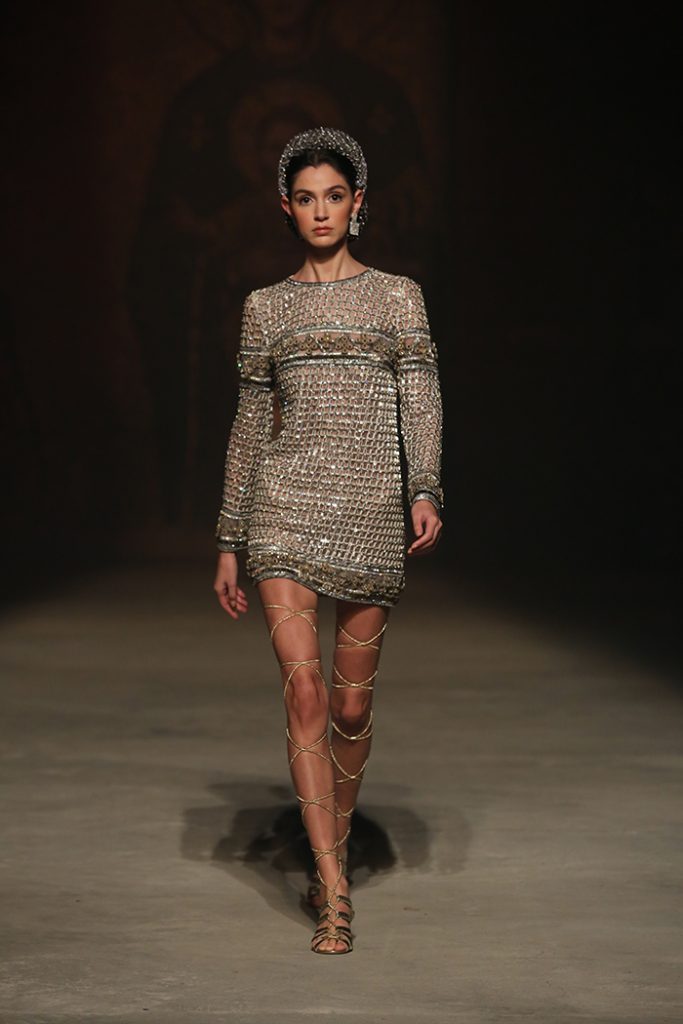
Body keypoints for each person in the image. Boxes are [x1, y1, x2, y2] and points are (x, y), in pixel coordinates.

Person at [213, 126, 444, 954]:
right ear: (286, 207)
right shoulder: (265, 307)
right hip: (281, 508)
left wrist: (423, 486)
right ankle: (333, 886)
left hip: (369, 507)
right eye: (306, 198)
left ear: (357, 203)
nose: (320, 211)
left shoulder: (397, 298)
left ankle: (331, 853)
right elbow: (250, 423)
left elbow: (420, 397)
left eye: (334, 196)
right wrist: (230, 537)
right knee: (306, 695)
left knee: (350, 707)